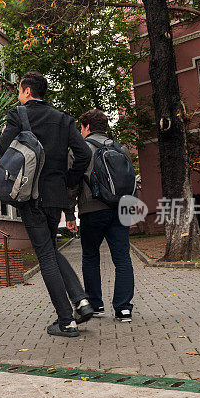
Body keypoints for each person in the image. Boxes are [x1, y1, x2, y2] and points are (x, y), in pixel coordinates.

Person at [0, 72, 94, 338]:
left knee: (45, 256)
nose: (19, 95)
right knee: (50, 248)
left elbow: (2, 151)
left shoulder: (18, 115)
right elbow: (84, 154)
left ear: (27, 91)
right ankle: (81, 301)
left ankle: (66, 321)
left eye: (19, 90)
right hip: (55, 196)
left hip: (31, 196)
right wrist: (67, 181)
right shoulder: (64, 119)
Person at [67, 109, 135, 322]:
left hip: (92, 209)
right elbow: (129, 181)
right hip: (119, 210)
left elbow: (72, 183)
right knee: (123, 258)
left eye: (81, 127)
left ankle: (95, 305)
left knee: (90, 256)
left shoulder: (80, 149)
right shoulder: (121, 149)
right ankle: (124, 308)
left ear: (86, 127)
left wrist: (69, 212)